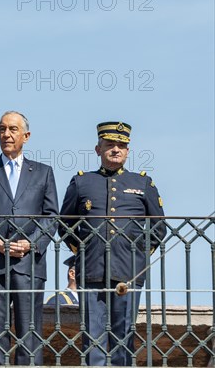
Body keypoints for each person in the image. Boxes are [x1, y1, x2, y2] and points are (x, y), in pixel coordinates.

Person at [59, 121, 166, 366]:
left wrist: (139, 254)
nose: (116, 149)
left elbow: (158, 227)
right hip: (91, 269)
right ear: (98, 149)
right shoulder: (81, 182)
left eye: (121, 145)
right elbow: (64, 224)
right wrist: (82, 250)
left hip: (129, 272)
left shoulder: (143, 183)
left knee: (124, 339)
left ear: (128, 151)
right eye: (110, 145)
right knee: (92, 340)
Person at [0, 111, 59, 365]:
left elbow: (51, 216)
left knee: (29, 332)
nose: (6, 134)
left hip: (30, 264)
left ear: (26, 136)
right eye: (2, 129)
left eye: (13, 129)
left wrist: (32, 243)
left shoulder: (43, 173)